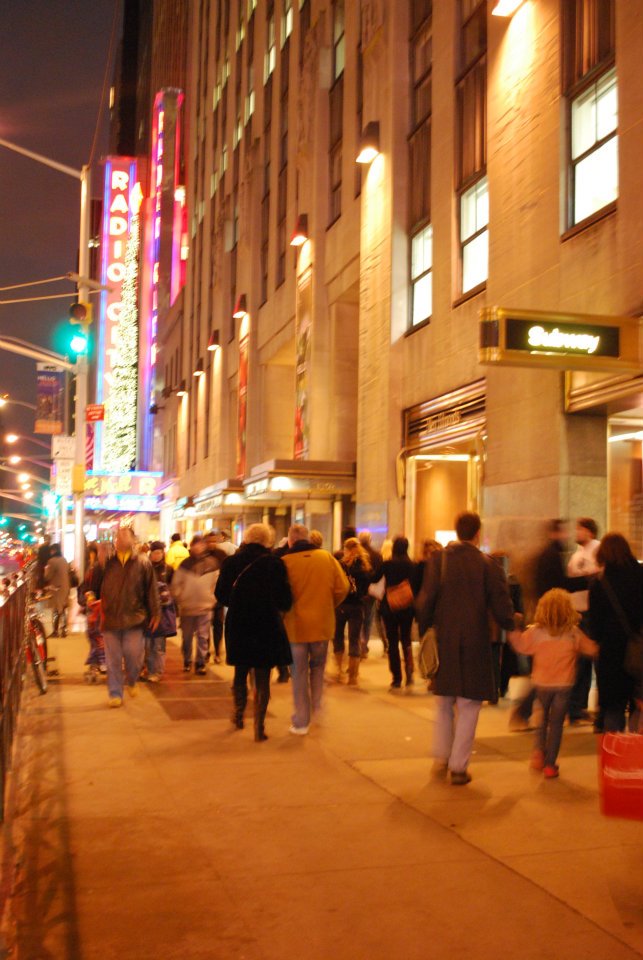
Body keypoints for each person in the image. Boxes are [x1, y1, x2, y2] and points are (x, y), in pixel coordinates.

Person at [416, 512, 516, 785]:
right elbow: (501, 605)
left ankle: (441, 757)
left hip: (445, 640)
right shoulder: (488, 565)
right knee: (469, 706)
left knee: (444, 702)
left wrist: (425, 630)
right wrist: (513, 623)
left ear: (457, 531)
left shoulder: (440, 561)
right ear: (477, 534)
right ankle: (459, 767)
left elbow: (426, 601)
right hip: (475, 642)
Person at [215, 524, 292, 741]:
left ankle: (239, 714)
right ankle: (260, 726)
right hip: (266, 624)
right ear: (267, 540)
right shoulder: (275, 564)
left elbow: (220, 594)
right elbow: (285, 599)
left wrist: (237, 602)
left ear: (247, 539)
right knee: (263, 676)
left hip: (239, 623)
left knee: (241, 670)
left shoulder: (231, 563)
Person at [510, 589, 598, 778]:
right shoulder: (573, 633)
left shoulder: (536, 632)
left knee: (541, 721)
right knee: (556, 724)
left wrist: (514, 628)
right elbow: (591, 649)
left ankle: (537, 754)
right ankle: (550, 765)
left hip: (542, 684)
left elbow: (521, 646)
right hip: (564, 686)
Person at [282, 524, 349, 735]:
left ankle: (301, 721)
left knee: (299, 673)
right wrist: (329, 605)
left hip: (296, 628)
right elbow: (343, 587)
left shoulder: (285, 563)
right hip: (322, 625)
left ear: (291, 541)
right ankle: (318, 707)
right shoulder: (326, 558)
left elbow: (280, 596)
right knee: (318, 668)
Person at [93, 526, 160, 708]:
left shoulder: (143, 563)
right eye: (118, 536)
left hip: (134, 618)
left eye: (124, 536)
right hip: (110, 619)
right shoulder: (108, 563)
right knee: (113, 660)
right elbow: (92, 584)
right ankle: (115, 693)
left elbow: (151, 589)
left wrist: (156, 612)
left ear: (133, 540)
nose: (120, 539)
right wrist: (89, 592)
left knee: (133, 656)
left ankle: (132, 679)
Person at [589, 533, 643, 732]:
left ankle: (616, 757)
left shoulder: (599, 583)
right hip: (639, 650)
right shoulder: (640, 575)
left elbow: (595, 626)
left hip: (612, 654)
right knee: (640, 705)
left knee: (613, 708)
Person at [566, 517, 600, 724]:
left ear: (590, 532)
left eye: (580, 529)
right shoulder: (576, 554)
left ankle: (583, 706)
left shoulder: (598, 549)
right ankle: (577, 707)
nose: (577, 532)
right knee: (580, 661)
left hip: (590, 611)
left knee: (588, 658)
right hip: (577, 612)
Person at [171, 534, 219, 674]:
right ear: (191, 547)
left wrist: (212, 598)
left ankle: (200, 662)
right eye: (195, 544)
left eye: (200, 544)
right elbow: (176, 585)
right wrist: (181, 598)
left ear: (204, 546)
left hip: (205, 606)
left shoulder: (212, 564)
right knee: (186, 637)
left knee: (203, 637)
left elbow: (216, 584)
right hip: (188, 607)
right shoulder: (185, 565)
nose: (198, 547)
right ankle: (187, 660)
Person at [333, 537, 372, 685]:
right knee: (354, 639)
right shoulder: (364, 566)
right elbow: (368, 588)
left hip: (342, 605)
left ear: (346, 549)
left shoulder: (341, 566)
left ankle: (339, 671)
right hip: (357, 606)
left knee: (338, 637)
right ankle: (353, 676)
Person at [381, 537, 419, 690]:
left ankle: (396, 677)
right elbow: (416, 585)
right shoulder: (412, 565)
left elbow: (375, 578)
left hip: (390, 606)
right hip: (407, 607)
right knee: (406, 639)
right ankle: (409, 673)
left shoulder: (387, 564)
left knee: (392, 641)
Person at [143, 541, 176, 682]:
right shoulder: (145, 568)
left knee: (158, 645)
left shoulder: (168, 569)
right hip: (147, 611)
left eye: (160, 552)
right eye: (155, 552)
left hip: (163, 612)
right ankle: (150, 670)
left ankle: (158, 671)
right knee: (148, 645)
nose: (157, 555)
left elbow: (174, 588)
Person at [77, 542, 105, 676]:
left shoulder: (97, 568)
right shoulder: (94, 567)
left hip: (97, 607)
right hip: (95, 606)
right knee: (96, 636)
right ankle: (98, 663)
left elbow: (90, 587)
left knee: (96, 637)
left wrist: (87, 597)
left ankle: (98, 663)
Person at [358, 530, 383, 658]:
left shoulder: (355, 554)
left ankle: (358, 642)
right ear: (370, 540)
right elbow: (379, 575)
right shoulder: (377, 555)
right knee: (368, 619)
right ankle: (364, 642)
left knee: (357, 619)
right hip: (371, 592)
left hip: (358, 592)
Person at [204, 531, 228, 664]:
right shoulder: (202, 556)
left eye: (214, 541)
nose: (212, 543)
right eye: (209, 541)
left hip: (218, 596)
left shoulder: (221, 555)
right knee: (205, 625)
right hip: (205, 597)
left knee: (218, 624)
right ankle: (206, 651)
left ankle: (218, 651)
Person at [45, 543, 71, 637]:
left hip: (56, 588)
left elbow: (47, 576)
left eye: (52, 550)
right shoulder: (64, 560)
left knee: (56, 609)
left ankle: (55, 631)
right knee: (63, 608)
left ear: (54, 550)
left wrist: (45, 570)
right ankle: (64, 630)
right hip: (65, 586)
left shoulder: (51, 561)